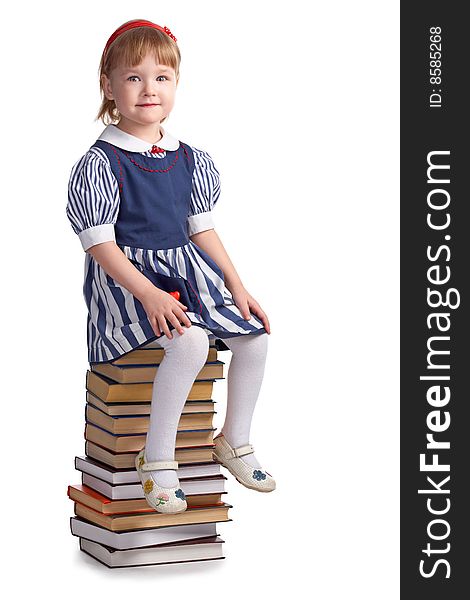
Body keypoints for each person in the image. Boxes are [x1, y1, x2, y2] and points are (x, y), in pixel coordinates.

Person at [66, 19, 276, 515]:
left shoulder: (189, 159)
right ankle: (157, 458)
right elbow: (99, 244)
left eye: (161, 77)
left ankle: (234, 439)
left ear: (176, 84)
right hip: (129, 281)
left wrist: (237, 285)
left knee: (256, 334)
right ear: (109, 85)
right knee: (191, 341)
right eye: (133, 77)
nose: (148, 89)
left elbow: (202, 229)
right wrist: (150, 294)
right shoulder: (101, 162)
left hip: (186, 272)